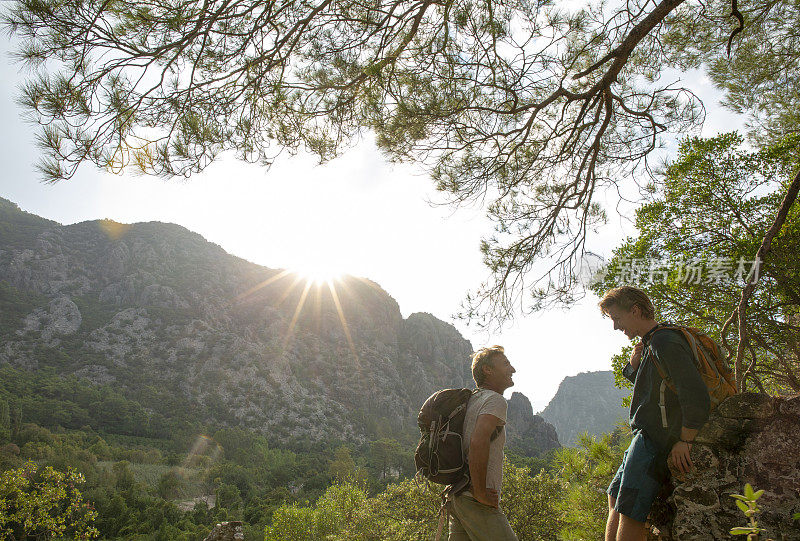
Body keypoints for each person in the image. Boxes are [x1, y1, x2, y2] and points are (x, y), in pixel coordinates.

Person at [599, 286, 711, 541]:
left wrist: (685, 439)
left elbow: (695, 394)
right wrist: (633, 367)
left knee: (631, 514)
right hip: (643, 438)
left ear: (635, 310)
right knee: (615, 495)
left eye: (617, 318)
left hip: (655, 442)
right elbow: (656, 389)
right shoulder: (652, 342)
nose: (616, 326)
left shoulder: (665, 341)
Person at [447, 345, 518, 541]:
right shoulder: (495, 400)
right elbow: (478, 442)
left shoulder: (471, 400)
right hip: (475, 499)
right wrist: (480, 493)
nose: (512, 369)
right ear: (488, 370)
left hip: (458, 496)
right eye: (506, 364)